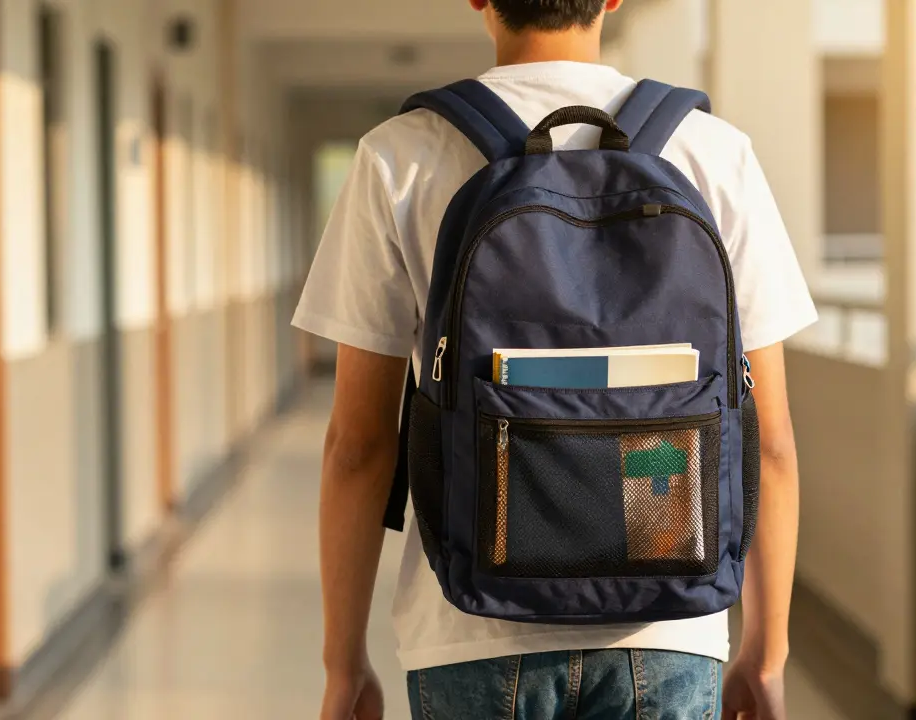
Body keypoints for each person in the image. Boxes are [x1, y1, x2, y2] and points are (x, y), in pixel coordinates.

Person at [292, 1, 817, 717]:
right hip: (670, 626)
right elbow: (773, 443)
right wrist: (767, 651)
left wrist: (341, 661)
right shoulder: (715, 153)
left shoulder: (401, 155)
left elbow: (358, 446)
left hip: (466, 633)